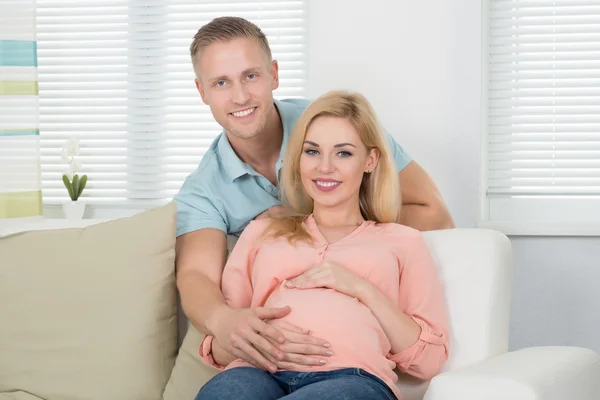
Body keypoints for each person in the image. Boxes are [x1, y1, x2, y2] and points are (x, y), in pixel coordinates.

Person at [174, 16, 454, 375]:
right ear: (202, 92)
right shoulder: (204, 188)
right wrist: (222, 319)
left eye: (251, 76)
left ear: (273, 74)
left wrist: (313, 213)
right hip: (266, 365)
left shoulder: (335, 125)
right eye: (221, 82)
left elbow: (435, 213)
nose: (240, 96)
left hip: (352, 362)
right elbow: (195, 275)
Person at [194, 90, 450, 400]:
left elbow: (429, 360)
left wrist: (359, 288)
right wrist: (255, 338)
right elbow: (219, 349)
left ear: (370, 160)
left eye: (343, 153)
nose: (324, 167)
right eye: (312, 151)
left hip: (353, 379)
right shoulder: (261, 232)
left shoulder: (401, 241)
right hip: (255, 372)